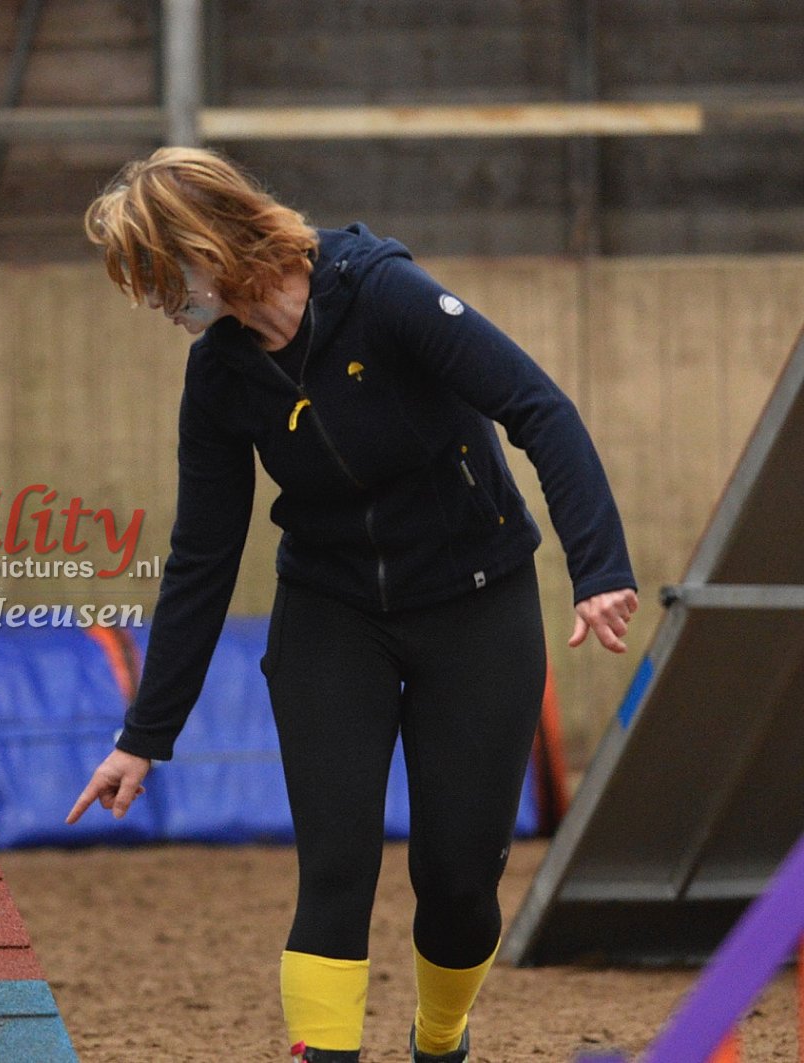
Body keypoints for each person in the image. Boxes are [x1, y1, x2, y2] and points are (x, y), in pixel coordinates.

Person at [65, 147, 638, 1063]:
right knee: (336, 869)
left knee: (457, 880)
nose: (157, 303)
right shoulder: (219, 377)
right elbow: (203, 557)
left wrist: (598, 565)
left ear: (208, 247)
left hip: (475, 600)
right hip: (332, 612)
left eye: (161, 278)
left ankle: (439, 1040)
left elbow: (539, 408)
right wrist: (145, 734)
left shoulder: (382, 293)